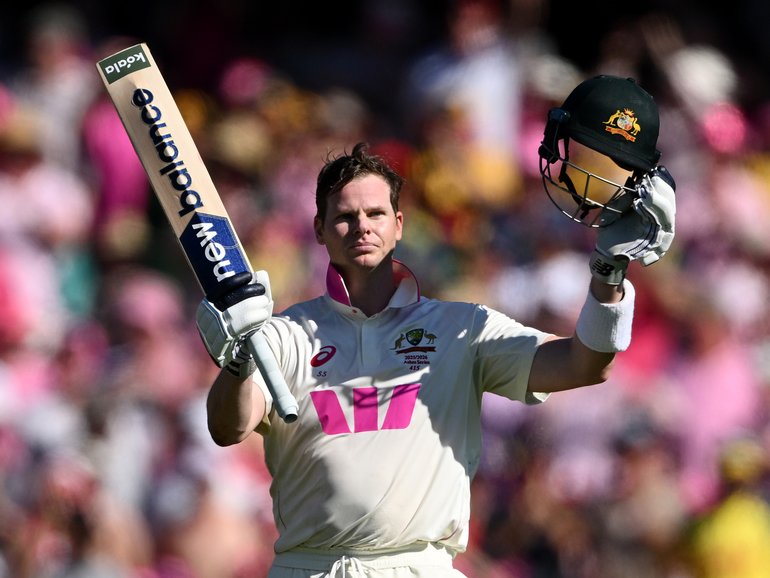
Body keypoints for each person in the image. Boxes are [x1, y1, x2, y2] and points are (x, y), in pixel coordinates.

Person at [195, 74, 676, 577]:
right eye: (345, 216)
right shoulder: (283, 334)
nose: (362, 227)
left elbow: (585, 365)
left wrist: (609, 272)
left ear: (399, 225)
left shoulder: (460, 329)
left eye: (376, 213)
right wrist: (237, 361)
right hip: (312, 568)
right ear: (318, 228)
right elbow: (228, 428)